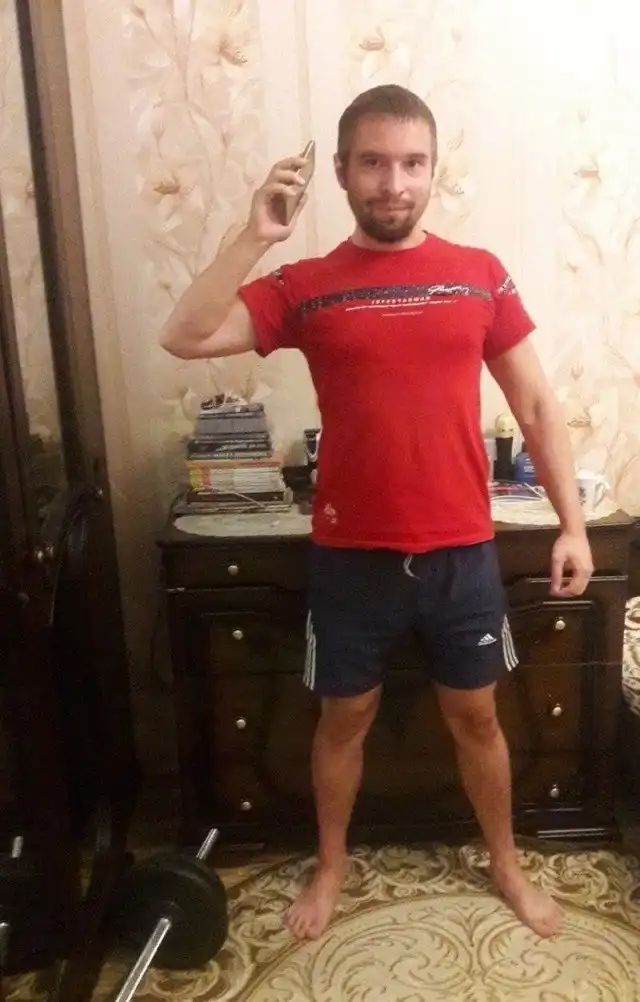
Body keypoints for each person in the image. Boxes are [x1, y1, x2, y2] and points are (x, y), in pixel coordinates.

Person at [160, 84, 593, 943]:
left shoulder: (478, 273)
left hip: (461, 553)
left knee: (478, 718)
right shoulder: (306, 284)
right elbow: (185, 334)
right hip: (350, 557)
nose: (394, 183)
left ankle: (505, 863)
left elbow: (538, 406)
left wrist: (573, 526)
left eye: (411, 163)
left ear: (432, 170)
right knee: (343, 720)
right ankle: (332, 865)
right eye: (374, 163)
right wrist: (253, 235)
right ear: (341, 171)